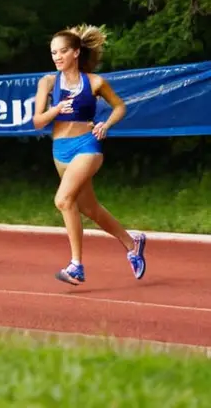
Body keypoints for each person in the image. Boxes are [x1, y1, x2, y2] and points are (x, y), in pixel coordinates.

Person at [32, 24, 147, 285]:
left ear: (75, 53)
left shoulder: (94, 82)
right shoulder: (48, 82)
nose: (57, 57)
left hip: (87, 146)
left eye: (62, 52)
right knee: (89, 208)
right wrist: (57, 108)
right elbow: (38, 121)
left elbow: (119, 107)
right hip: (60, 150)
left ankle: (76, 266)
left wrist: (105, 125)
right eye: (53, 53)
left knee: (63, 200)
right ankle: (132, 243)